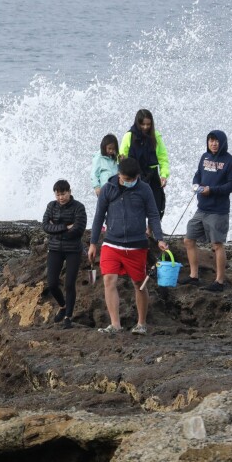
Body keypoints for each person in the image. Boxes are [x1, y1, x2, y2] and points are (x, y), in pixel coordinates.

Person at [90, 157, 164, 335]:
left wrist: (159, 238)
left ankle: (141, 323)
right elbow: (99, 216)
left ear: (137, 176)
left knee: (139, 284)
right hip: (111, 243)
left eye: (131, 180)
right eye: (124, 178)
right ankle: (115, 324)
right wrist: (93, 243)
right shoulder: (108, 188)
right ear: (118, 174)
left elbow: (153, 215)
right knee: (109, 280)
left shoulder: (145, 189)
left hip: (136, 245)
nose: (127, 182)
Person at [181, 129, 232, 292]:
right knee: (188, 239)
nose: (213, 144)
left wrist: (211, 190)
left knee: (217, 245)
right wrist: (196, 185)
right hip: (201, 209)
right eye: (210, 140)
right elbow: (197, 175)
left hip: (218, 211)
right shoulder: (204, 157)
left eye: (216, 141)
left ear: (222, 142)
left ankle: (219, 281)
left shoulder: (230, 162)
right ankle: (194, 276)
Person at [41, 179, 88, 329]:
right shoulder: (51, 206)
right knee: (52, 283)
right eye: (58, 194)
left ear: (69, 192)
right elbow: (45, 226)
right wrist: (65, 227)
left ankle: (68, 316)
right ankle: (62, 306)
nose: (61, 197)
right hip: (54, 248)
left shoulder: (79, 207)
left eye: (64, 194)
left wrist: (58, 230)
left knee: (69, 284)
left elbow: (79, 229)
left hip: (73, 249)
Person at [118, 109, 170, 218]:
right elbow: (121, 159)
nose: (146, 127)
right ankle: (138, 230)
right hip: (134, 174)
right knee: (135, 206)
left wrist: (164, 175)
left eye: (148, 124)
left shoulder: (156, 136)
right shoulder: (129, 136)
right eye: (143, 124)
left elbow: (163, 157)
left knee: (157, 204)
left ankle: (150, 231)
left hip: (152, 174)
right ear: (138, 123)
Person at [90, 133, 120, 198]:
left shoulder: (116, 157)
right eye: (109, 148)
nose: (111, 151)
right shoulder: (99, 157)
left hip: (117, 189)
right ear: (104, 147)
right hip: (105, 190)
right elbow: (94, 174)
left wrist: (122, 161)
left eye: (113, 149)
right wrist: (97, 187)